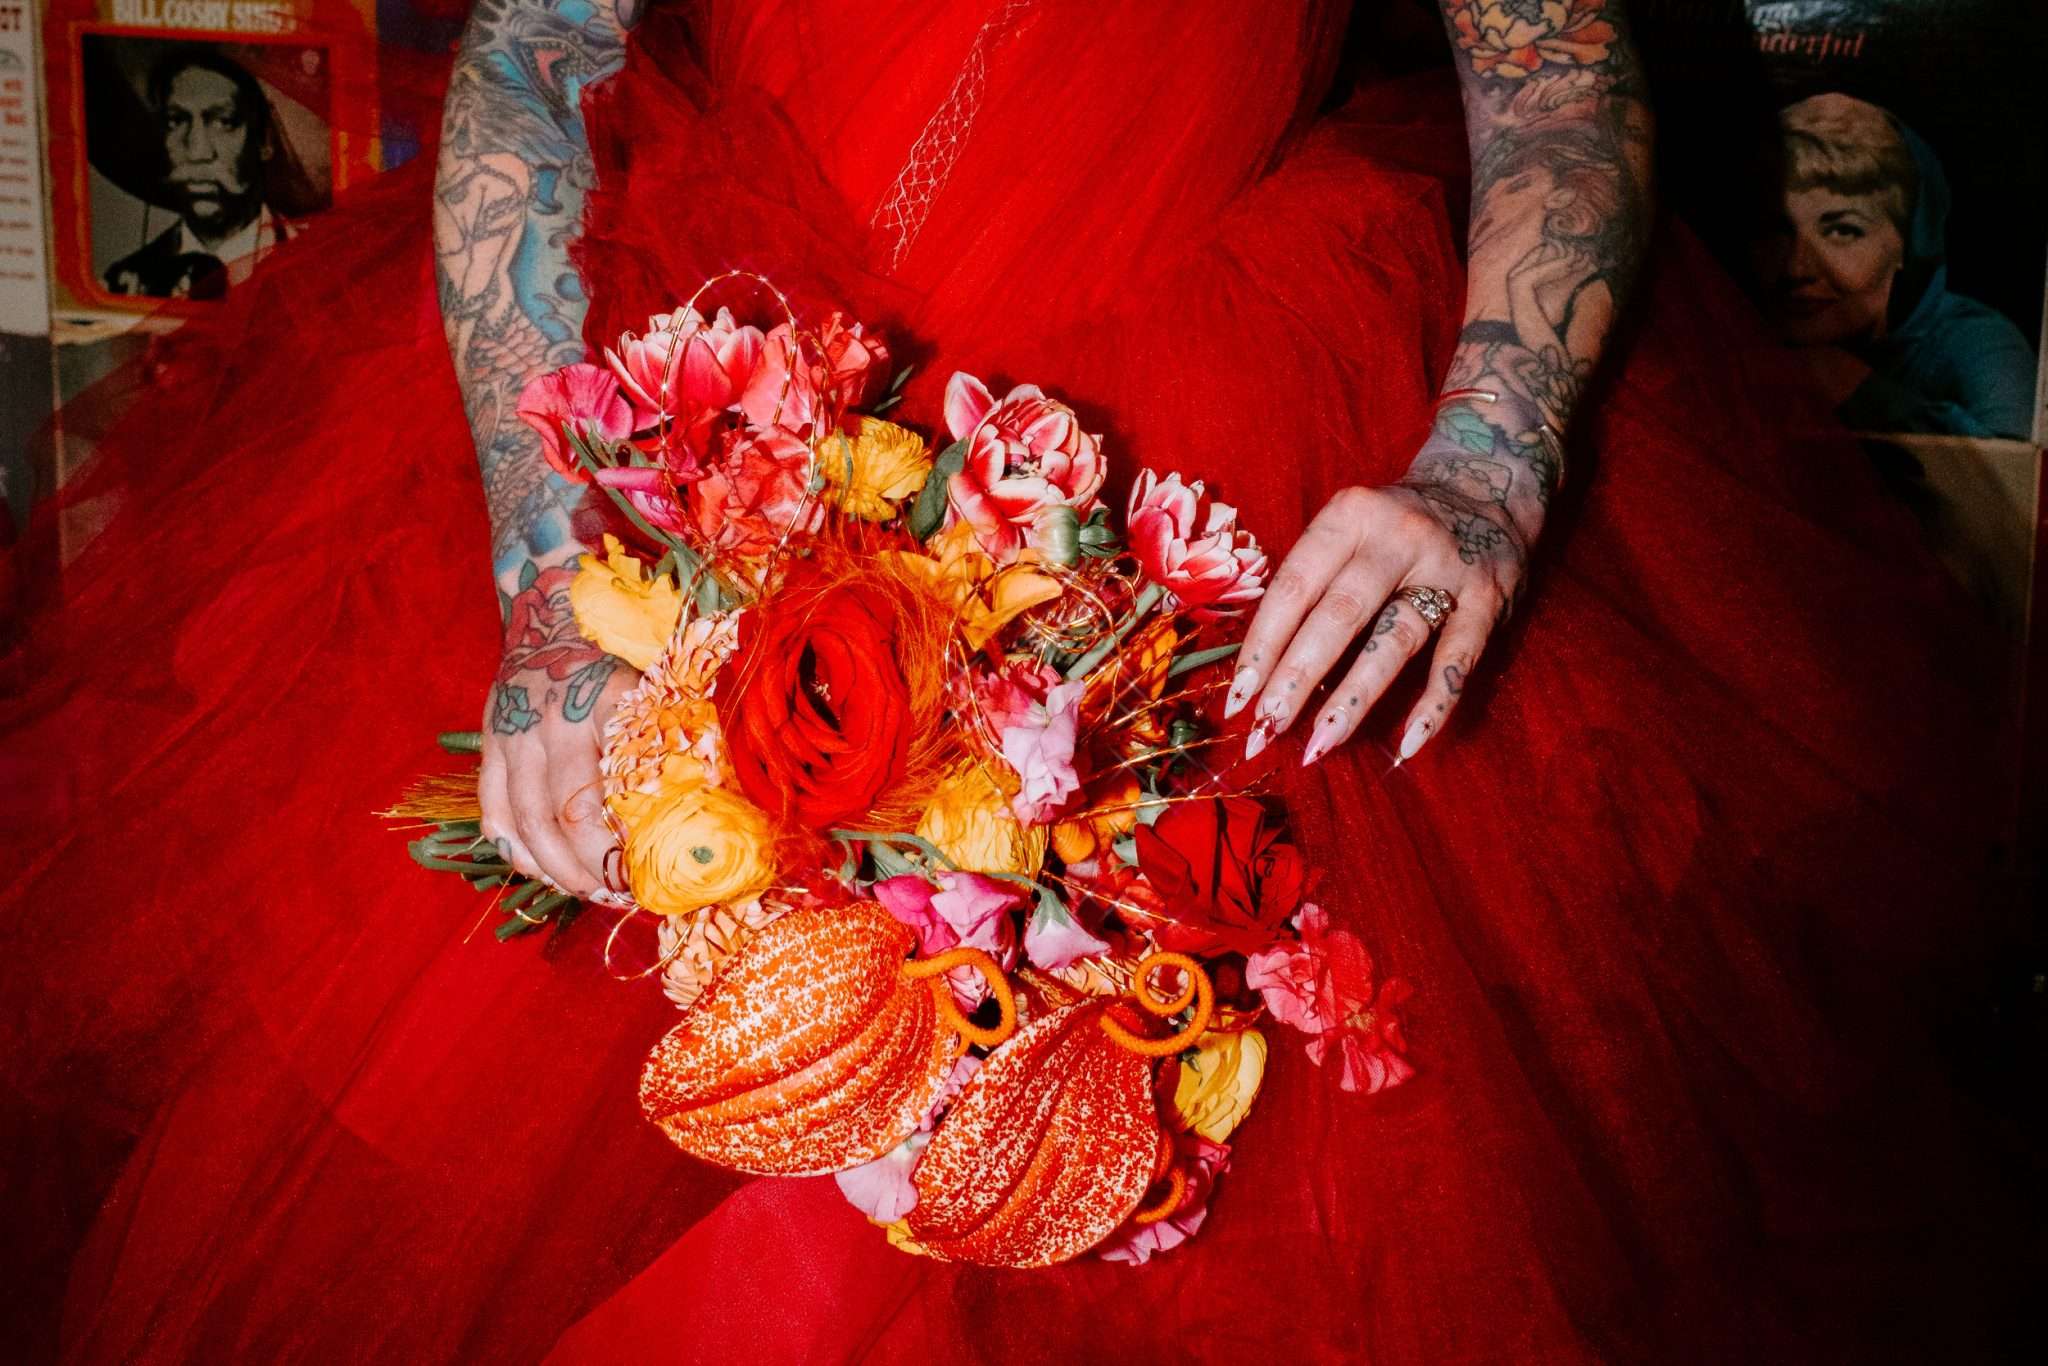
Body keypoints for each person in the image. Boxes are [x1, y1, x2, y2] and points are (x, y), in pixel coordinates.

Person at [0, 1, 2025, 1360]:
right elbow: (536, 45)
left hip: (1235, 470)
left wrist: (1489, 459)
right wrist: (545, 570)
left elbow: (1554, 52)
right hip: (726, 412)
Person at [1751, 91, 2038, 440]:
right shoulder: (1736, 336)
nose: (1796, 269)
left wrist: (1861, 392)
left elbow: (2018, 466)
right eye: (1776, 230)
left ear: (1908, 243)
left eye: (1843, 231)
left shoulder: (1979, 344)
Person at [102, 50, 299, 300]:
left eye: (223, 122)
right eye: (175, 121)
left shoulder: (318, 265)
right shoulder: (123, 284)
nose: (197, 152)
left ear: (264, 141)